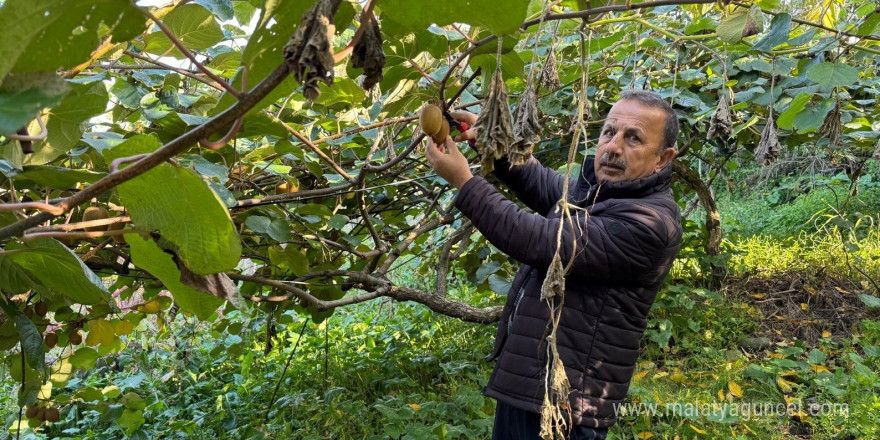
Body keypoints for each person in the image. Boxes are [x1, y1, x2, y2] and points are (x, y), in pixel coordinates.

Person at [424, 89, 683, 440]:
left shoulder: (649, 224)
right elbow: (545, 185)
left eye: (633, 138)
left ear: (663, 159)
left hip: (566, 408)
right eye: (609, 132)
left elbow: (543, 241)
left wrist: (465, 183)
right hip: (533, 386)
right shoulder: (603, 192)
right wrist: (491, 144)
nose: (613, 147)